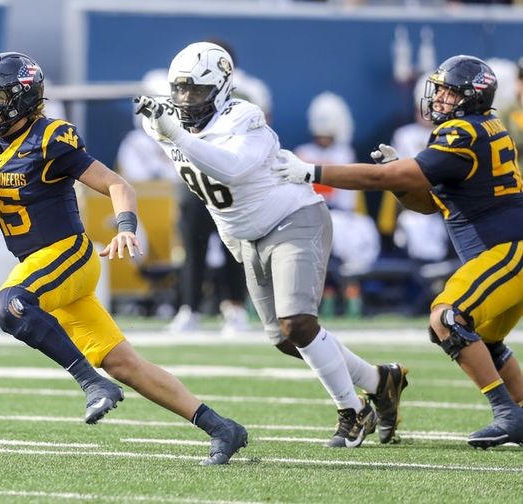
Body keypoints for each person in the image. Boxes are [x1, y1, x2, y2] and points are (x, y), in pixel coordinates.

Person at [0, 51, 247, 465]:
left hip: (68, 255)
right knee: (126, 363)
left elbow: (116, 184)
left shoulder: (51, 137)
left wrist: (126, 227)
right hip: (41, 269)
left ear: (23, 98)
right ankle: (221, 427)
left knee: (9, 307)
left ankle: (91, 384)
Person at [136, 42, 407, 448]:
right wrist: (232, 238)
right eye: (180, 90)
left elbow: (231, 168)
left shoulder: (245, 117)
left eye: (196, 90)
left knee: (297, 322)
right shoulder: (164, 121)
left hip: (293, 217)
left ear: (223, 88)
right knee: (284, 339)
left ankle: (353, 412)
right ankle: (380, 380)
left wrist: (174, 135)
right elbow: (208, 192)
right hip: (246, 234)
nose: (185, 100)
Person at [273, 54, 523, 449]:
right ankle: (519, 411)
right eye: (438, 90)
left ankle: (508, 414)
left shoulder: (464, 132)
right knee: (482, 339)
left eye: (448, 91)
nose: (438, 98)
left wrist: (313, 171)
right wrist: (399, 179)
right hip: (502, 251)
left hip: (508, 248)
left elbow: (376, 177)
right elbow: (427, 203)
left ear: (471, 96)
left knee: (448, 319)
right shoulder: (477, 128)